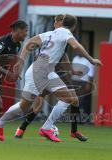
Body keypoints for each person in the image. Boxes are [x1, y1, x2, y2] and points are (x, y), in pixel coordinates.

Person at [0, 14, 102, 142]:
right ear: (74, 26)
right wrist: (91, 59)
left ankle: (47, 127)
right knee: (24, 107)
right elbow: (76, 46)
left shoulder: (49, 34)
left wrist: (21, 61)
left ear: (60, 22)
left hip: (47, 71)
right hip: (38, 72)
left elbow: (30, 42)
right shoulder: (66, 33)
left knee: (70, 98)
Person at [14, 14, 88, 142]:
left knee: (73, 99)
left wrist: (72, 71)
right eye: (54, 22)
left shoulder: (62, 38)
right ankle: (23, 128)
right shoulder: (51, 37)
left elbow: (64, 58)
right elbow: (39, 55)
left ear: (61, 23)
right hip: (42, 75)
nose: (55, 24)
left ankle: (73, 131)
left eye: (56, 22)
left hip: (54, 75)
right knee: (36, 106)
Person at [72, 54, 95, 122]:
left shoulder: (88, 59)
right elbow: (72, 69)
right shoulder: (75, 58)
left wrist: (88, 83)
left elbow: (91, 73)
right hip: (74, 81)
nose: (78, 52)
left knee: (83, 100)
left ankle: (85, 118)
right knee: (75, 100)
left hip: (83, 82)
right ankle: (76, 118)